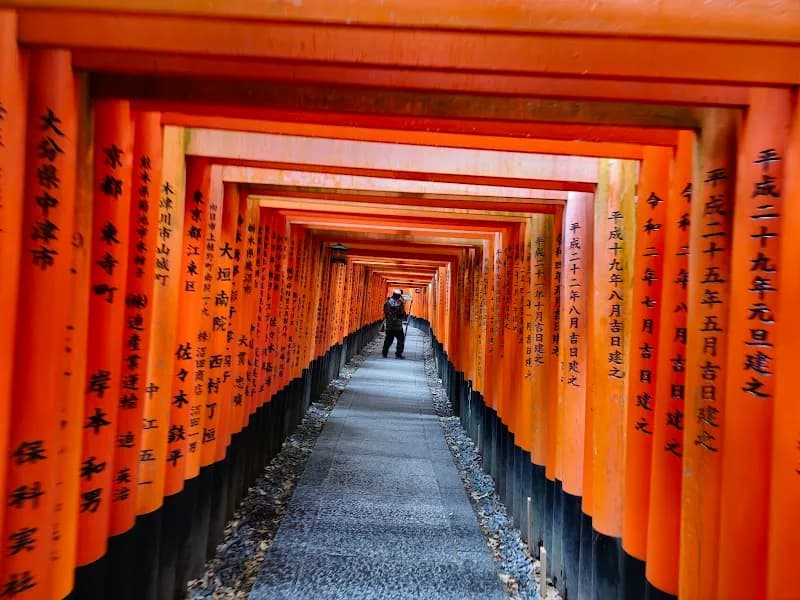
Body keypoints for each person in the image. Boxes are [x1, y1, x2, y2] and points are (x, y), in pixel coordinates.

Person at [382, 290, 407, 359]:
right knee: (401, 339)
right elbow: (402, 314)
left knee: (388, 339)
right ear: (399, 296)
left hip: (389, 325)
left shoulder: (387, 303)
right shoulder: (400, 303)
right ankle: (398, 354)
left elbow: (385, 312)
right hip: (397, 326)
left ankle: (384, 353)